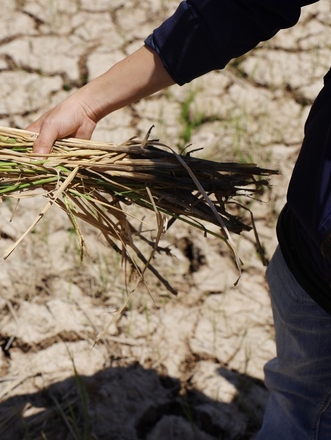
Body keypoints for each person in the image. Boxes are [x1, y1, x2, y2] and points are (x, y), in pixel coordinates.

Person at [26, 0, 331, 437]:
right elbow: (244, 6)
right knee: (302, 407)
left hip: (316, 233)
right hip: (313, 249)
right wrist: (89, 104)